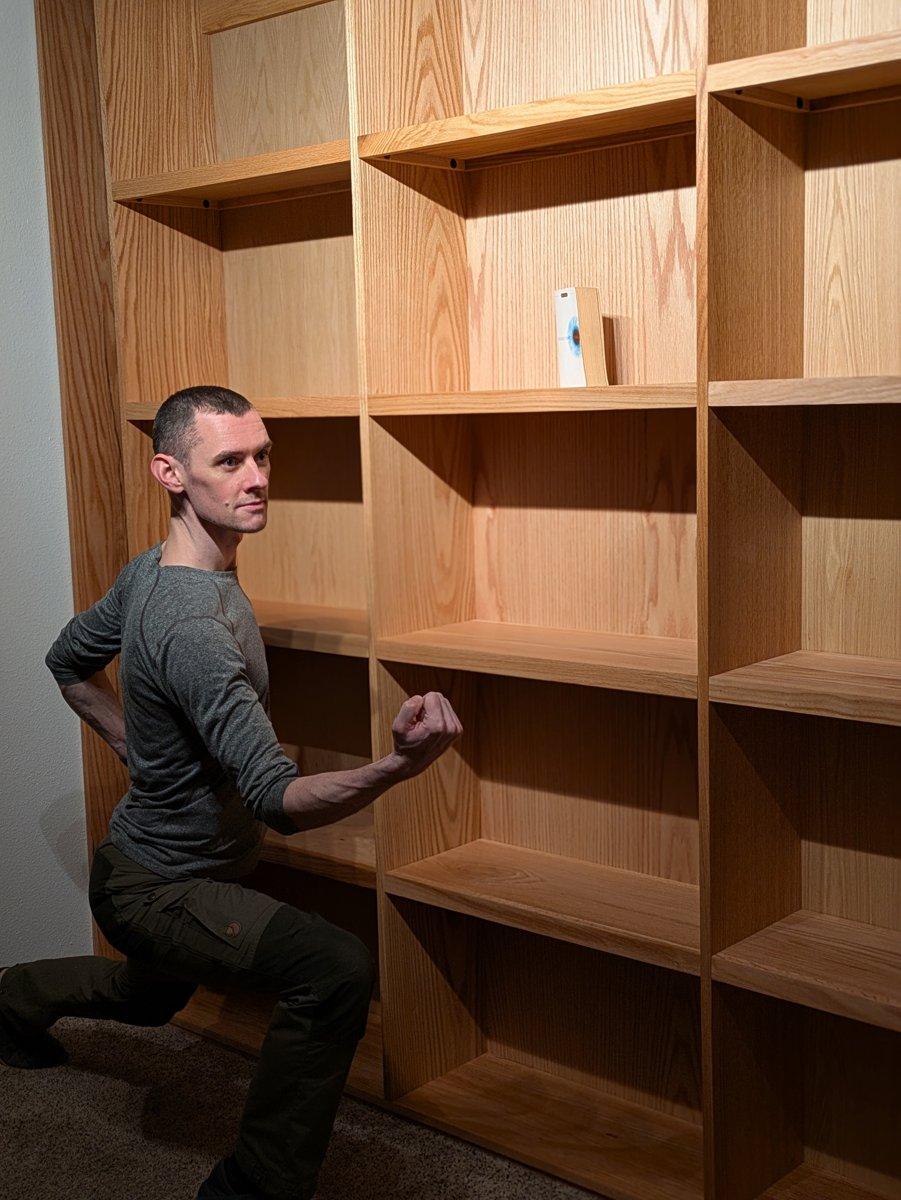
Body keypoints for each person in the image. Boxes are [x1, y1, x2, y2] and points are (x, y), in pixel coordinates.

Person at [0, 385, 463, 1200]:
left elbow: (66, 658)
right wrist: (399, 767)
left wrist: (130, 743)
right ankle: (254, 1187)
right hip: (157, 886)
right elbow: (276, 800)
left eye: (263, 456)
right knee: (334, 967)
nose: (256, 478)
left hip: (167, 870)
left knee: (145, 998)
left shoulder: (154, 570)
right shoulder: (191, 625)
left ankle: (10, 1000)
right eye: (230, 461)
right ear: (170, 472)